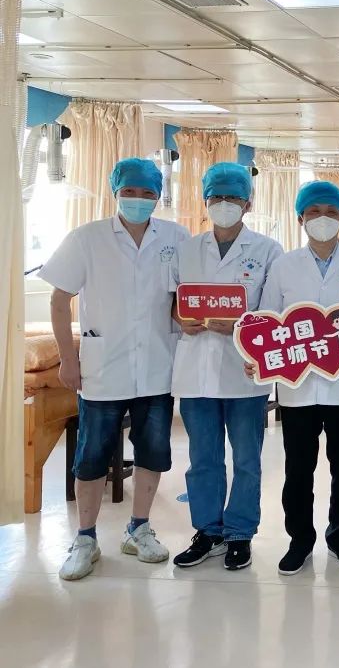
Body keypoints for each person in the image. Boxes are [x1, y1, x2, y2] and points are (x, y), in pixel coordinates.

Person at [40, 157, 190, 581]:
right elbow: (59, 299)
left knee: (153, 451)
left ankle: (139, 529)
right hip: (102, 368)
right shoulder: (87, 238)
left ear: (158, 196)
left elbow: (186, 298)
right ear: (116, 193)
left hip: (157, 367)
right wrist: (68, 358)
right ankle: (85, 539)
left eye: (147, 193)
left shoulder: (176, 238)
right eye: (130, 192)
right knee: (91, 456)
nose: (138, 199)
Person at [171, 162, 283, 571]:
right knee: (203, 458)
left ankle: (239, 532)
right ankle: (208, 531)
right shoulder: (187, 249)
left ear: (247, 203)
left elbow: (273, 313)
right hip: (196, 368)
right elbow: (174, 300)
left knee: (247, 459)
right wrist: (180, 318)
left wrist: (239, 326)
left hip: (244, 371)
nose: (224, 204)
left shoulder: (268, 250)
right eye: (216, 197)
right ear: (205, 201)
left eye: (232, 198)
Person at [259, 181, 339, 575]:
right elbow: (269, 321)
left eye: (330, 211)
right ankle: (300, 540)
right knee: (298, 469)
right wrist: (258, 359)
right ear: (300, 219)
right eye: (314, 212)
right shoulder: (284, 265)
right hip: (298, 386)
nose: (323, 218)